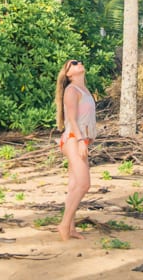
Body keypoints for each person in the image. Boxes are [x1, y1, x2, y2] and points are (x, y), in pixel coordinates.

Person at [55, 58, 96, 240]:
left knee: (74, 185)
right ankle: (64, 225)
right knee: (84, 183)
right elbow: (71, 119)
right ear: (68, 73)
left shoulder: (84, 90)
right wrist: (80, 140)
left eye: (79, 61)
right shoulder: (71, 90)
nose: (78, 63)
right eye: (73, 63)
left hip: (80, 140)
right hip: (73, 139)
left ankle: (70, 227)